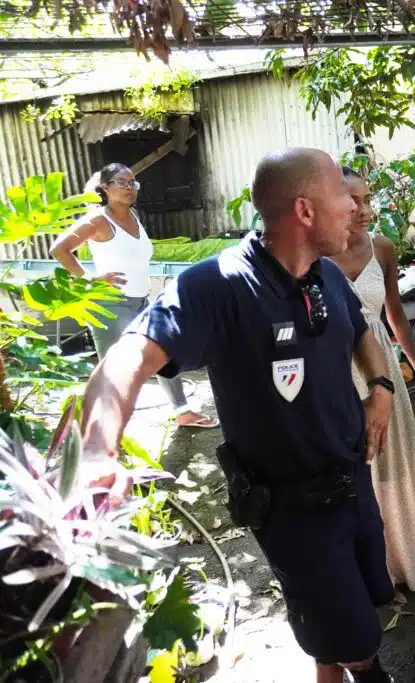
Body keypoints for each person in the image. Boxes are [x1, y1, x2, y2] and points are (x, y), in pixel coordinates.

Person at [77, 148, 398, 683]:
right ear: (305, 210)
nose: (356, 207)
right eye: (344, 195)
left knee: (347, 618)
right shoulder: (218, 285)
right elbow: (125, 358)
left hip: (352, 486)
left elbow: (362, 334)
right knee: (356, 640)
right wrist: (96, 451)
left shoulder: (326, 275)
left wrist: (382, 388)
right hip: (293, 511)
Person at [330, 166, 415, 592]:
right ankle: (362, 568)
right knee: (350, 466)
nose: (365, 209)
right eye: (354, 201)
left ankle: (406, 558)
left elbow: (394, 313)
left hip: (381, 367)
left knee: (394, 461)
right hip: (335, 370)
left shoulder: (381, 247)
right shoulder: (311, 254)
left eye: (368, 199)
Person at [49, 163, 217, 429]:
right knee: (113, 369)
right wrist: (88, 278)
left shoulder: (135, 215)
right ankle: (102, 431)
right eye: (121, 182)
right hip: (111, 304)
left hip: (141, 300)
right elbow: (60, 249)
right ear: (105, 187)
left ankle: (182, 412)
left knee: (164, 352)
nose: (129, 188)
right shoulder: (97, 220)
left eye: (132, 183)